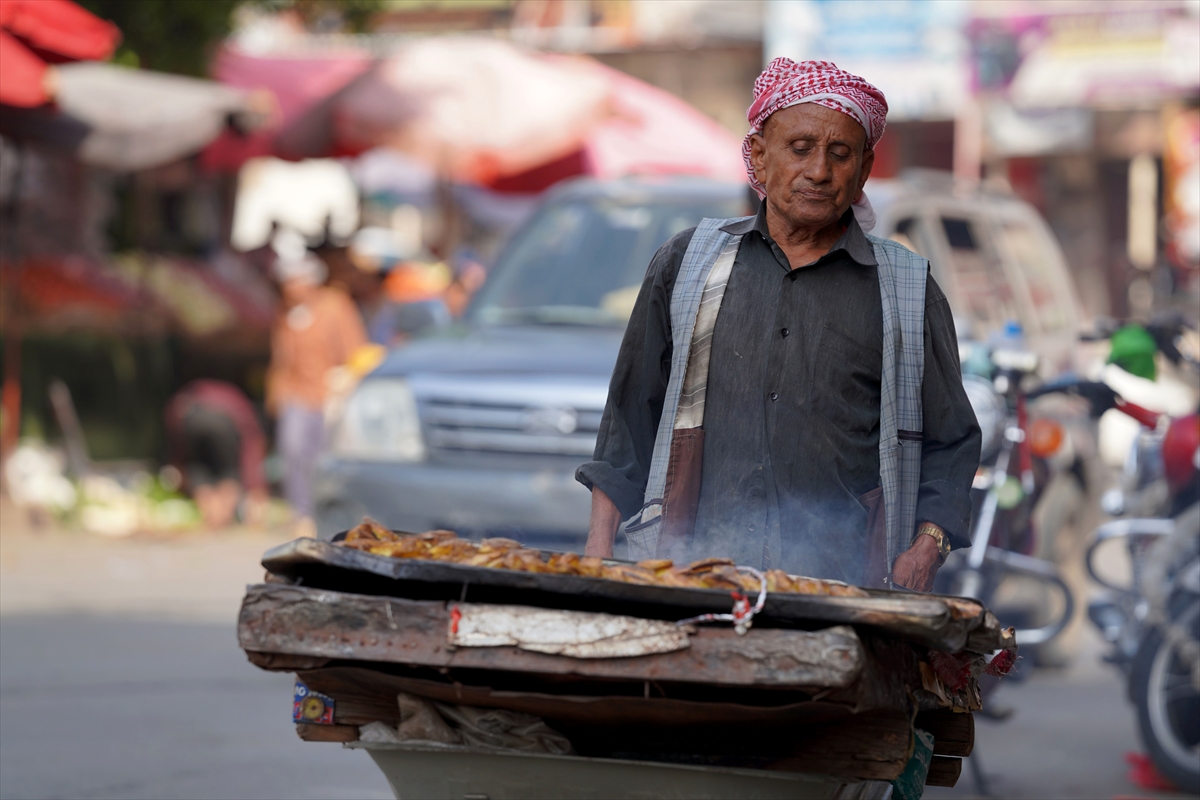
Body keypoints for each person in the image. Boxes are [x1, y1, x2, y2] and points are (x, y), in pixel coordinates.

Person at [577, 59, 981, 591]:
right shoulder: (688, 264)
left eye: (840, 155)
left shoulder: (906, 287)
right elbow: (629, 420)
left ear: (863, 171)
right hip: (697, 576)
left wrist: (927, 546)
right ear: (760, 157)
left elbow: (952, 442)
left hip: (845, 586)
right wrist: (598, 550)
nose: (818, 171)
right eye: (800, 149)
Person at [266, 237, 367, 523]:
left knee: (323, 457)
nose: (290, 287)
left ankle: (326, 512)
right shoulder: (285, 313)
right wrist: (276, 394)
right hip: (296, 395)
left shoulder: (335, 305)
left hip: (328, 395)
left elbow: (355, 351)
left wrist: (346, 384)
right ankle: (301, 512)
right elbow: (281, 358)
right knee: (293, 451)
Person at [164, 380, 267, 528]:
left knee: (198, 469)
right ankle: (222, 517)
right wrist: (256, 486)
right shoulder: (239, 401)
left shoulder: (183, 397)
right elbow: (250, 446)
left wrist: (179, 466)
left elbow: (177, 438)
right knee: (229, 472)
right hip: (222, 420)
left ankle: (211, 517)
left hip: (190, 419)